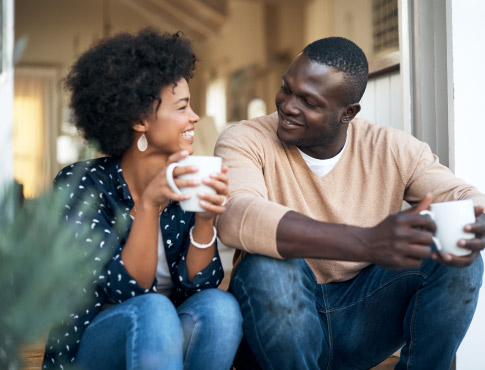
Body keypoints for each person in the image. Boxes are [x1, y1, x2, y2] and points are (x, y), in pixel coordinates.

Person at [214, 36, 485, 370]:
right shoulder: (245, 139)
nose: (288, 106)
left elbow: (465, 198)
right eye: (287, 89)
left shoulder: (391, 148)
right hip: (277, 324)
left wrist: (474, 224)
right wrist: (366, 242)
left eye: (309, 102)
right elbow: (235, 216)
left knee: (460, 258)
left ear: (348, 113)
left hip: (361, 319)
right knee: (269, 265)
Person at [42, 29, 242, 370]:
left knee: (220, 308)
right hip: (93, 348)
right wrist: (148, 206)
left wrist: (205, 218)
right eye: (182, 107)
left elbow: (199, 287)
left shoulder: (184, 181)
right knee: (154, 308)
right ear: (139, 120)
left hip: (162, 349)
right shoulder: (84, 186)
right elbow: (126, 292)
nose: (194, 116)